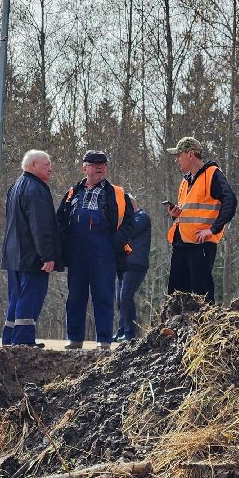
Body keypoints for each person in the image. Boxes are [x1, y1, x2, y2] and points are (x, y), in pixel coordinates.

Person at [56, 150, 136, 350]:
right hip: (77, 253)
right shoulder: (72, 193)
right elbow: (59, 221)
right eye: (94, 163)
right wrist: (64, 245)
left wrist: (114, 244)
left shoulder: (118, 194)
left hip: (104, 253)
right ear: (84, 167)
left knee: (103, 296)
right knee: (75, 296)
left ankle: (104, 341)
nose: (99, 166)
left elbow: (129, 223)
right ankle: (74, 339)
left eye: (102, 163)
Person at [164, 136, 236, 303]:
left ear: (190, 154)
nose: (176, 160)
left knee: (201, 296)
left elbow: (230, 201)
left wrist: (213, 229)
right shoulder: (185, 181)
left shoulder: (213, 174)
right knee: (176, 296)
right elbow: (191, 210)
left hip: (200, 244)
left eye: (179, 155)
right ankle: (176, 327)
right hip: (181, 243)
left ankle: (204, 328)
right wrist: (175, 213)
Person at [1, 149, 61, 347]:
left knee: (16, 298)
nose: (51, 168)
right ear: (33, 166)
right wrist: (48, 256)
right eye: (47, 164)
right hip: (32, 257)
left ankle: (10, 340)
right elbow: (40, 225)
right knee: (30, 297)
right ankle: (23, 342)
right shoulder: (36, 189)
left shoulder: (15, 186)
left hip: (14, 256)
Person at [115, 206, 151, 342]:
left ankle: (130, 333)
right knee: (119, 299)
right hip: (123, 263)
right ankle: (121, 330)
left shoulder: (142, 217)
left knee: (126, 296)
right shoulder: (128, 220)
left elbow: (130, 231)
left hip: (136, 264)